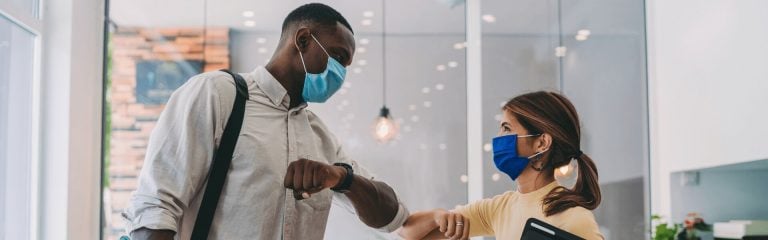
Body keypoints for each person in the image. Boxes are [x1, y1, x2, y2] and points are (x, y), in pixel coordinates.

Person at [122, 3, 408, 240]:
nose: (340, 75)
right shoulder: (218, 94)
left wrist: (341, 177)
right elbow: (155, 207)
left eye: (346, 67)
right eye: (338, 57)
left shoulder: (320, 137)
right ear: (303, 40)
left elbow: (390, 215)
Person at [399, 91, 603, 240]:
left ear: (541, 143)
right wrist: (437, 216)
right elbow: (408, 234)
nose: (498, 138)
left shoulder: (575, 219)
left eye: (506, 128)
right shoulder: (499, 208)